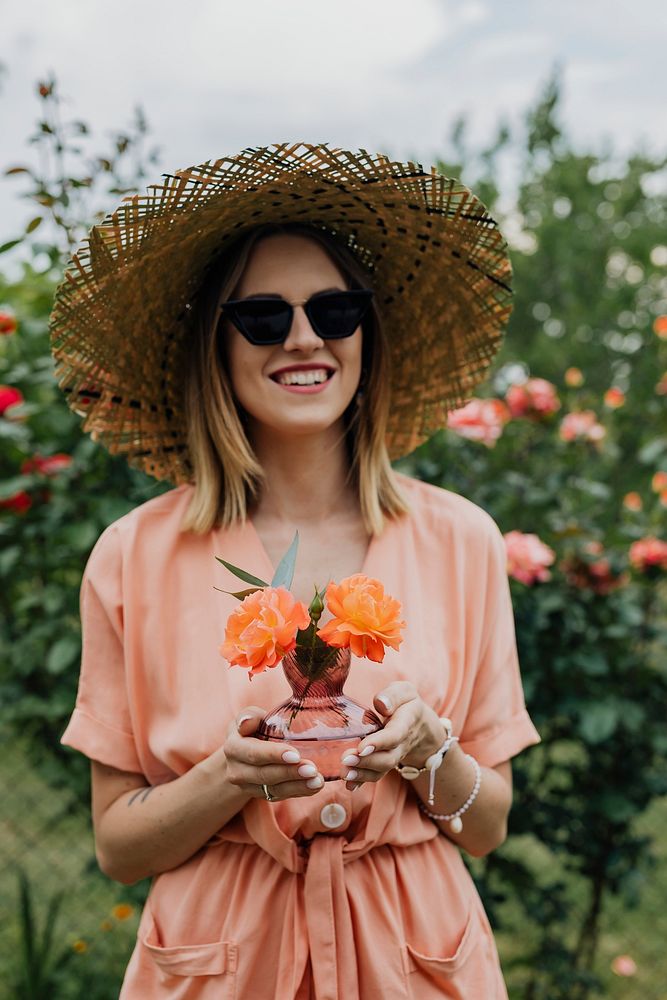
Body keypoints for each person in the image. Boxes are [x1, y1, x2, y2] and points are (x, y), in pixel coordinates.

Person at [54, 143, 541, 999]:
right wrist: (225, 779)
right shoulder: (134, 556)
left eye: (336, 310)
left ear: (367, 333)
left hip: (416, 961)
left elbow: (487, 826)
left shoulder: (462, 540)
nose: (306, 338)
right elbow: (118, 848)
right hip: (217, 965)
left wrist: (432, 755)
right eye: (264, 318)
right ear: (218, 343)